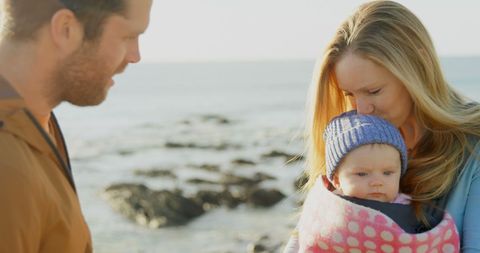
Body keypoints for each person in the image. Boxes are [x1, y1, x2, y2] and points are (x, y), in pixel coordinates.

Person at [285, 0, 480, 252]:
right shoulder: (354, 142)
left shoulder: (473, 148)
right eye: (349, 94)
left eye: (374, 91)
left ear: (419, 66)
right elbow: (307, 234)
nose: (361, 109)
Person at [0, 0, 152, 252]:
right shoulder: (7, 169)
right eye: (128, 36)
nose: (135, 56)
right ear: (66, 28)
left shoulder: (34, 124)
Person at [324, 110, 410, 205]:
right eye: (362, 174)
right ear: (337, 181)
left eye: (387, 173)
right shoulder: (329, 209)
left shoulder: (407, 208)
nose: (377, 182)